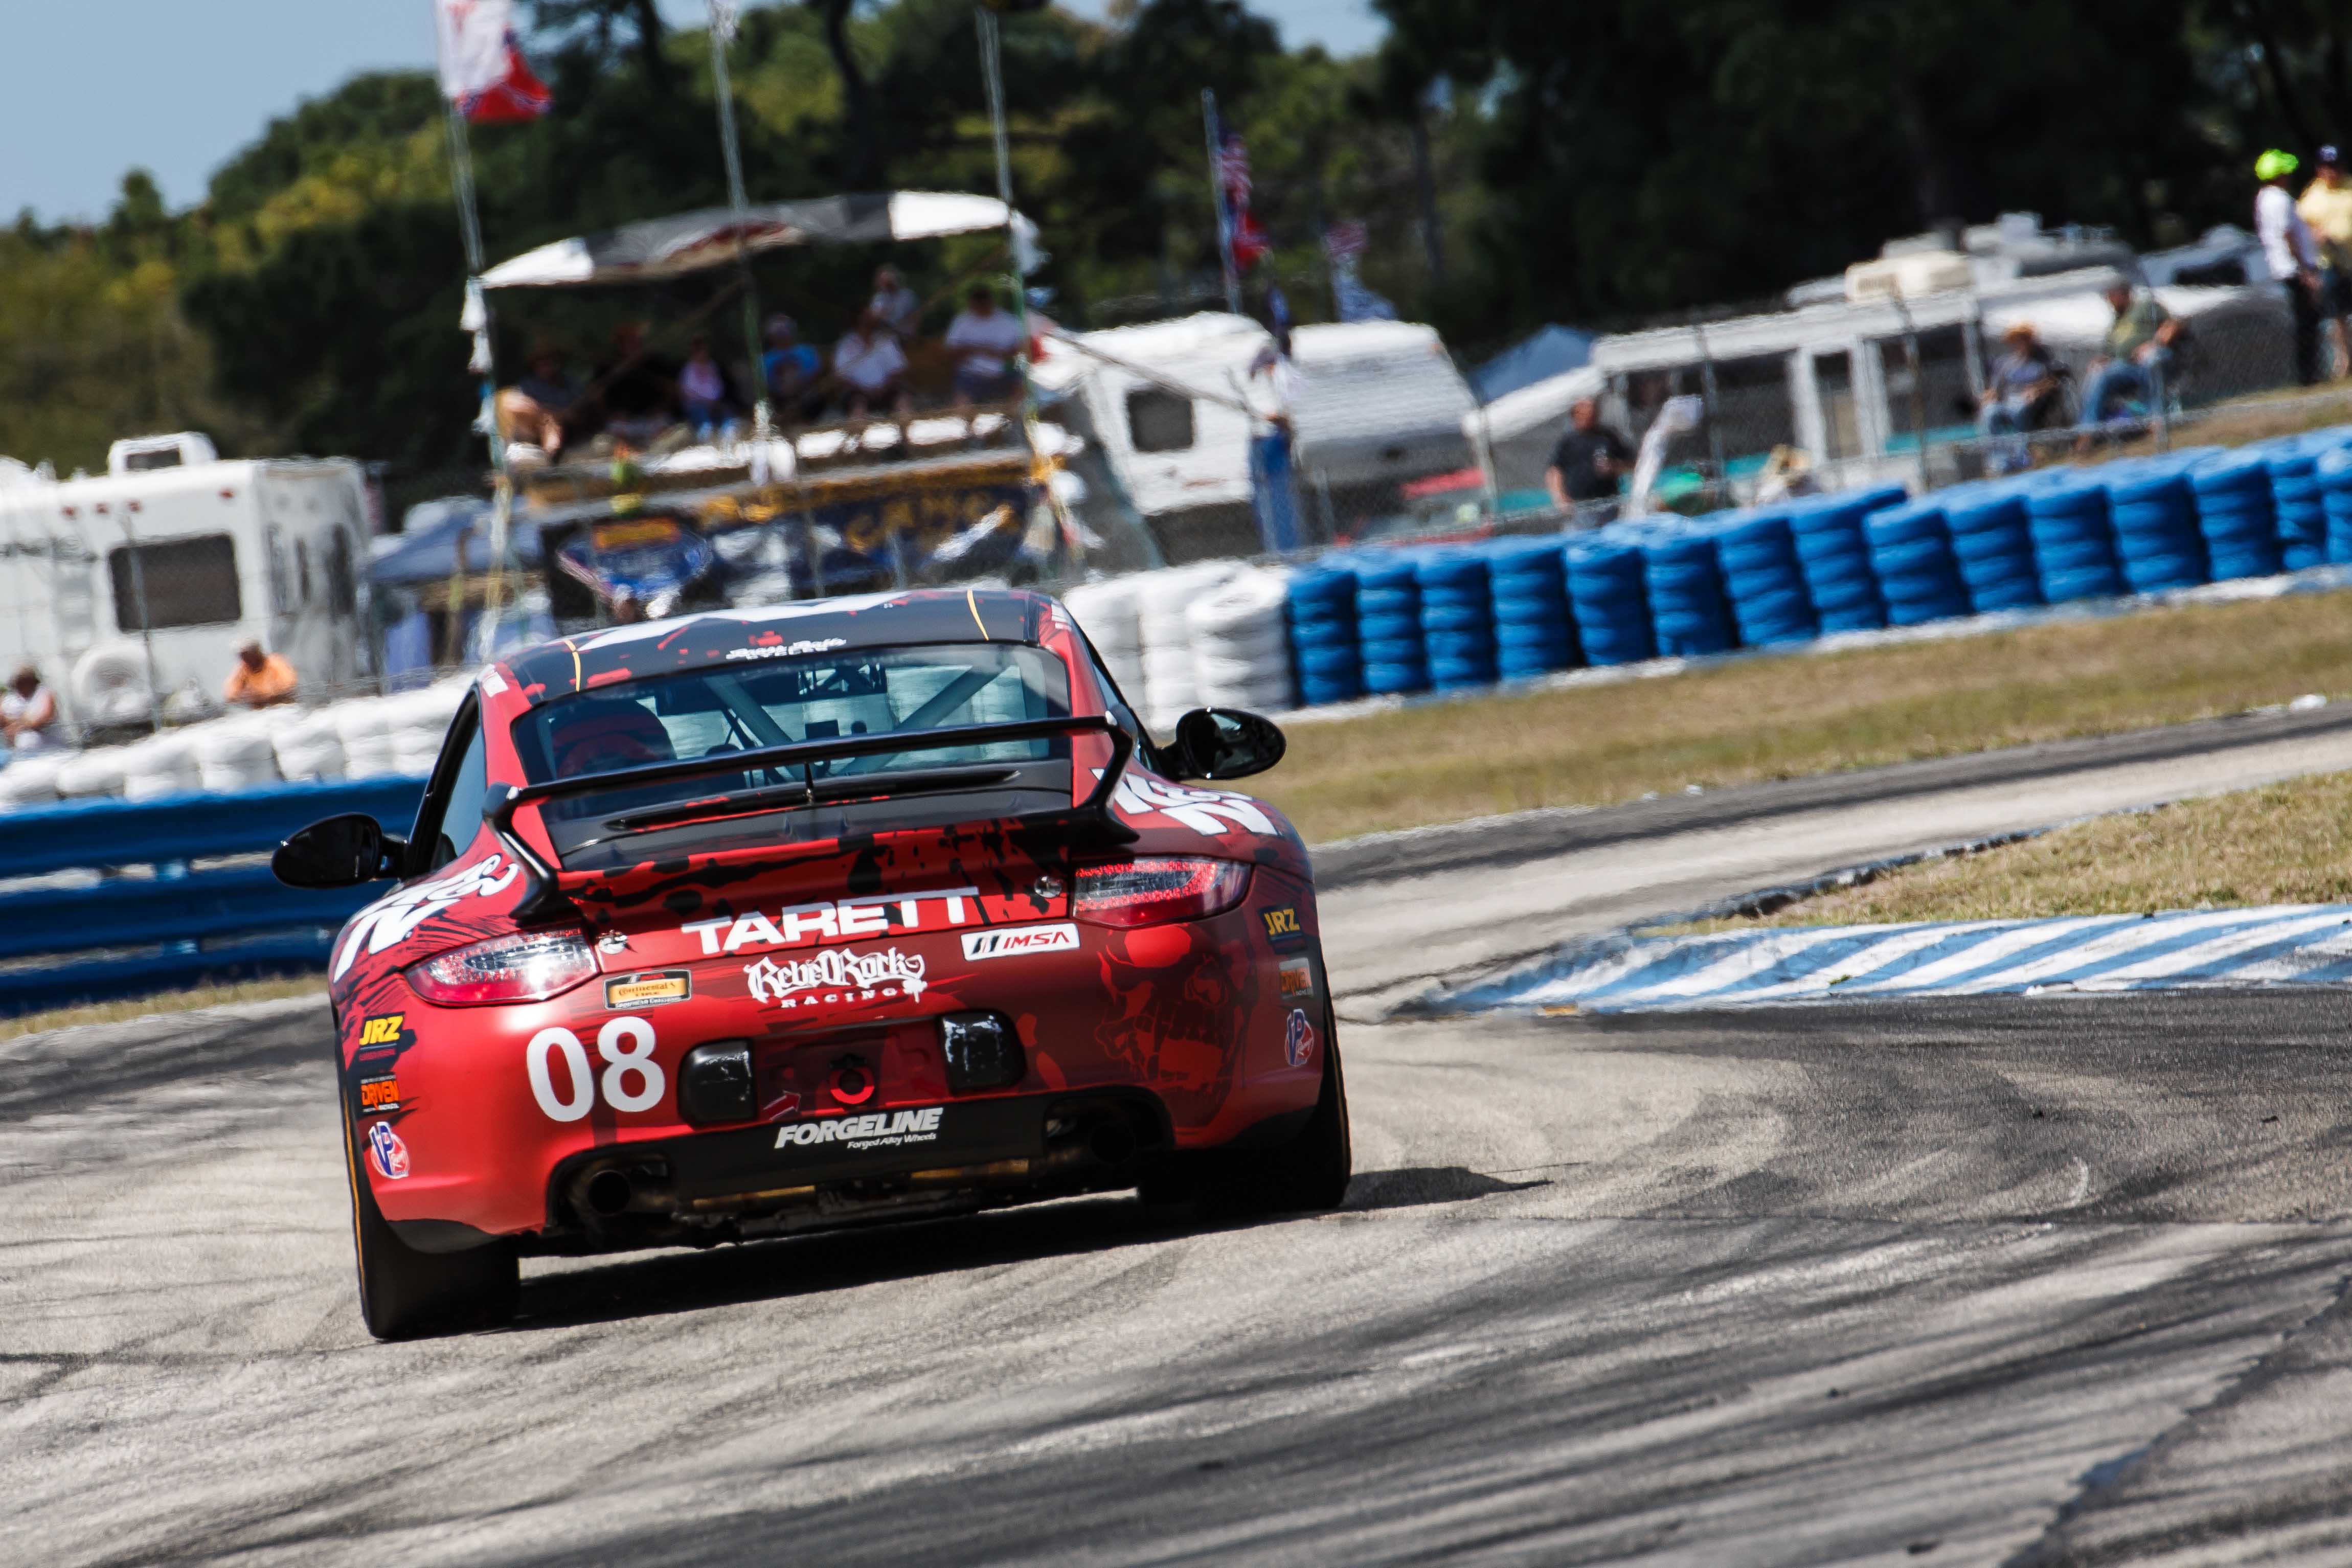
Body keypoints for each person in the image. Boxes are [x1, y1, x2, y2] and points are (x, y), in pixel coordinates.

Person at [2077, 281, 2181, 436]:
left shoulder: (2145, 307)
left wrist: (2154, 344)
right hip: (2125, 366)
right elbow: (2110, 352)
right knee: (2097, 374)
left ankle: (2156, 420)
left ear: (2123, 294)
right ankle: (2087, 431)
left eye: (2112, 296)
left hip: (2153, 356)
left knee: (2151, 359)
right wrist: (2102, 360)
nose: (2110, 301)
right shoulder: (2116, 322)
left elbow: (2174, 325)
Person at [2256, 148, 2324, 385]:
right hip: (2294, 268)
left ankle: (2309, 372)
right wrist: (2305, 269)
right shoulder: (2280, 199)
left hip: (2283, 267)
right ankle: (2309, 374)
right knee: (2307, 320)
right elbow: (2289, 236)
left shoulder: (2263, 198)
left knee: (2304, 319)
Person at [1244, 334, 1305, 552]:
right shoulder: (1274, 379)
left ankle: (1288, 550)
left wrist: (1280, 419)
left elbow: (1292, 413)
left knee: (1280, 503)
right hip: (1270, 440)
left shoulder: (1284, 377)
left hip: (1276, 441)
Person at [2299, 145, 2352, 378]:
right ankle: (2344, 361)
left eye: (2335, 166)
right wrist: (2314, 234)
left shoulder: (2350, 187)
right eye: (2326, 167)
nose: (2331, 172)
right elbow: (2301, 230)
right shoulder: (2312, 197)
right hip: (2332, 263)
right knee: (2337, 314)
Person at [592, 321, 679, 448]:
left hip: (653, 421)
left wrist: (660, 409)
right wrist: (611, 414)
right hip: (623, 424)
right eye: (628, 341)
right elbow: (596, 395)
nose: (632, 345)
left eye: (636, 341)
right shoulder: (608, 366)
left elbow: (672, 389)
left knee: (671, 432)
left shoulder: (655, 362)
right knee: (605, 443)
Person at [1544, 397, 1633, 514]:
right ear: (1575, 416)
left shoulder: (1608, 438)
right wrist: (1560, 498)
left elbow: (1631, 463)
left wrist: (1614, 467)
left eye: (1592, 414)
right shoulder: (1569, 441)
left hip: (1608, 503)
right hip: (1578, 506)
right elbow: (1555, 471)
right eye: (1583, 414)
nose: (1588, 417)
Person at [942, 284, 1027, 405]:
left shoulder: (1009, 321)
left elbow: (1021, 349)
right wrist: (976, 349)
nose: (980, 307)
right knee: (962, 398)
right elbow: (950, 350)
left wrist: (998, 353)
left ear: (990, 302)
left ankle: (1015, 414)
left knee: (1020, 386)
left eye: (983, 303)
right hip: (970, 374)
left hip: (1003, 373)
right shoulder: (961, 321)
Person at [495, 344, 583, 460]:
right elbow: (516, 405)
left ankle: (551, 454)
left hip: (567, 429)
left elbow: (576, 412)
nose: (546, 365)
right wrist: (545, 414)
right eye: (541, 362)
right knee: (511, 401)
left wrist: (554, 415)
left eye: (550, 360)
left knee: (552, 425)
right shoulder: (529, 385)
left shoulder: (569, 383)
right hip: (536, 427)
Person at [1979, 322, 2063, 435]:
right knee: (1990, 412)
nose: (2020, 343)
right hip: (2007, 400)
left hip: (2029, 402)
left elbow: (2052, 382)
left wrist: (2037, 390)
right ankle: (1996, 445)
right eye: (2017, 340)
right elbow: (1995, 389)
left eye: (2024, 339)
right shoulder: (2005, 363)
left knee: (2018, 409)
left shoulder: (2042, 362)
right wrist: (1989, 397)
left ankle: (2023, 444)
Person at [832, 307, 910, 416]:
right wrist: (863, 390)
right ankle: (858, 426)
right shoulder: (845, 345)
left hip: (887, 389)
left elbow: (898, 369)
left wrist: (884, 388)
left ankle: (905, 424)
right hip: (858, 393)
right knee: (858, 407)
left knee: (902, 400)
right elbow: (840, 376)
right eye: (867, 318)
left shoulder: (885, 341)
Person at [760, 313, 823, 422]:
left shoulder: (808, 352)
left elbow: (817, 376)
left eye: (784, 331)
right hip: (779, 401)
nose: (781, 336)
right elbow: (766, 386)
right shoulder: (765, 360)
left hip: (807, 397)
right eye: (778, 333)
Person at [676, 335, 737, 440]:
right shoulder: (688, 370)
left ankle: (728, 439)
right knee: (705, 424)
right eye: (699, 351)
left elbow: (719, 387)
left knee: (728, 417)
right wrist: (706, 401)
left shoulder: (712, 366)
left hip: (715, 404)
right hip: (697, 406)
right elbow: (688, 392)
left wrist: (715, 401)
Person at [2, 664, 58, 754]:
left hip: (48, 749)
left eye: (23, 682)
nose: (19, 687)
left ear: (31, 682)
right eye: (18, 683)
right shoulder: (11, 697)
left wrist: (18, 726)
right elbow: (3, 717)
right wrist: (14, 724)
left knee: (28, 740)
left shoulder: (44, 694)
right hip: (17, 750)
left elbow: (45, 717)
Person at [222, 642, 298, 709]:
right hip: (259, 709)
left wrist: (266, 694)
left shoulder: (275, 662)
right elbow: (231, 694)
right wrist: (245, 697)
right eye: (243, 657)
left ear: (257, 653)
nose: (247, 660)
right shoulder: (242, 669)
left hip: (283, 704)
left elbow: (288, 684)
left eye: (249, 655)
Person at [870, 266, 922, 338]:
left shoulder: (908, 295)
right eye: (884, 281)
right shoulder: (879, 298)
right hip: (886, 336)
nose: (888, 283)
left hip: (906, 335)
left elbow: (916, 316)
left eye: (889, 280)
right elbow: (875, 318)